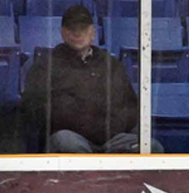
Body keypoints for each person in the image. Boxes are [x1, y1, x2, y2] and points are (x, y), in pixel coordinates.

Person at [20, 4, 161, 153]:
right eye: (72, 29)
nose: (77, 34)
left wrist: (113, 126)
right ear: (63, 32)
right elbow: (36, 111)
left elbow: (130, 107)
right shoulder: (45, 66)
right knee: (65, 141)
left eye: (83, 29)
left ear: (93, 32)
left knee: (151, 146)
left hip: (113, 139)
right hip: (73, 138)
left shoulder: (110, 64)